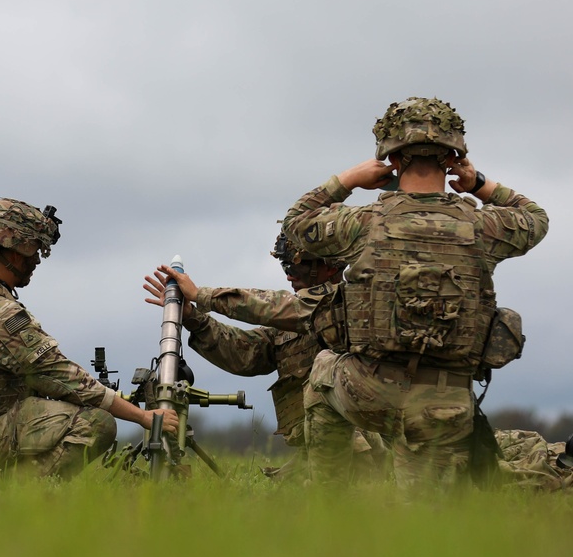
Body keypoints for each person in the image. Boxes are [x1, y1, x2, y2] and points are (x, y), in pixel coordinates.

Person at [282, 97, 548, 489]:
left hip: (370, 393)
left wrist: (349, 180)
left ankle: (329, 502)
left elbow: (295, 223)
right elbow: (536, 219)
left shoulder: (362, 222)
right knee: (423, 527)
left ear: (392, 157)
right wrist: (479, 184)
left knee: (323, 369)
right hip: (447, 405)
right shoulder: (483, 227)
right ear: (451, 157)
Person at [0, 198, 178, 480]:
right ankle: (17, 498)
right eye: (33, 250)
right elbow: (62, 376)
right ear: (14, 250)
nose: (36, 260)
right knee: (97, 423)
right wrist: (144, 417)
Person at [144, 234, 388, 482]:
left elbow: (275, 306)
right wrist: (192, 318)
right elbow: (244, 352)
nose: (289, 275)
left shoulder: (347, 305)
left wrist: (201, 295)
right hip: (318, 450)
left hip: (357, 449)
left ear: (331, 266)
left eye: (296, 266)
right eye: (285, 266)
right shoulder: (293, 321)